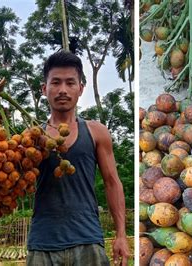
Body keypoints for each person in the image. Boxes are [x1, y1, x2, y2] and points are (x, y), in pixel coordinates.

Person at [25, 51, 130, 265]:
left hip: (87, 240)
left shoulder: (97, 132)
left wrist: (121, 235)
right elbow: (13, 179)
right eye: (56, 82)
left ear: (80, 89)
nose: (63, 89)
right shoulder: (32, 137)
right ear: (44, 89)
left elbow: (112, 183)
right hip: (43, 243)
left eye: (70, 83)